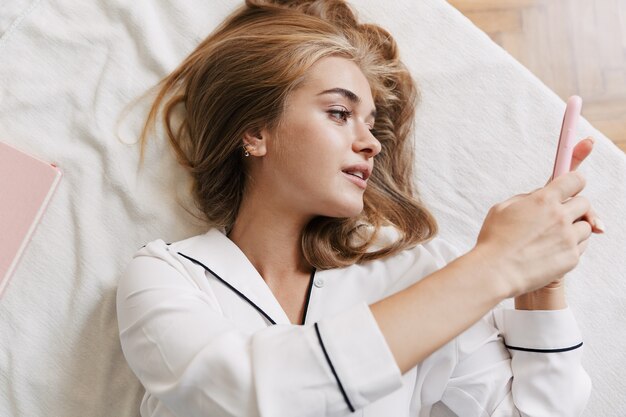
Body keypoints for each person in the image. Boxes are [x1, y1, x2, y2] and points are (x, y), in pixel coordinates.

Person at [116, 1, 603, 416]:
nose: (370, 142)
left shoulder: (416, 273)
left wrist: (539, 283)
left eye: (370, 123)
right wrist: (496, 266)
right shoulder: (168, 275)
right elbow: (244, 392)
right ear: (255, 131)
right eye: (339, 113)